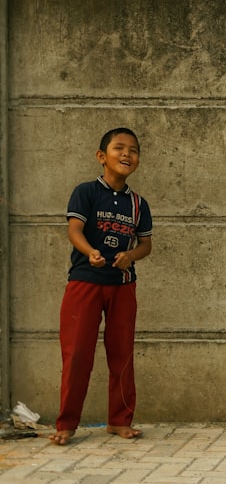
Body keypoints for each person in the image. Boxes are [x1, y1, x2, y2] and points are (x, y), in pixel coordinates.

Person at [49, 128, 153, 446]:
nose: (126, 154)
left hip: (122, 286)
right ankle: (66, 424)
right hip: (85, 283)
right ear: (101, 156)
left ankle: (119, 422)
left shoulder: (138, 203)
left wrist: (130, 256)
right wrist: (90, 251)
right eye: (119, 148)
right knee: (77, 354)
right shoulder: (86, 192)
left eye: (133, 150)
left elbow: (146, 245)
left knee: (121, 355)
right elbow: (74, 230)